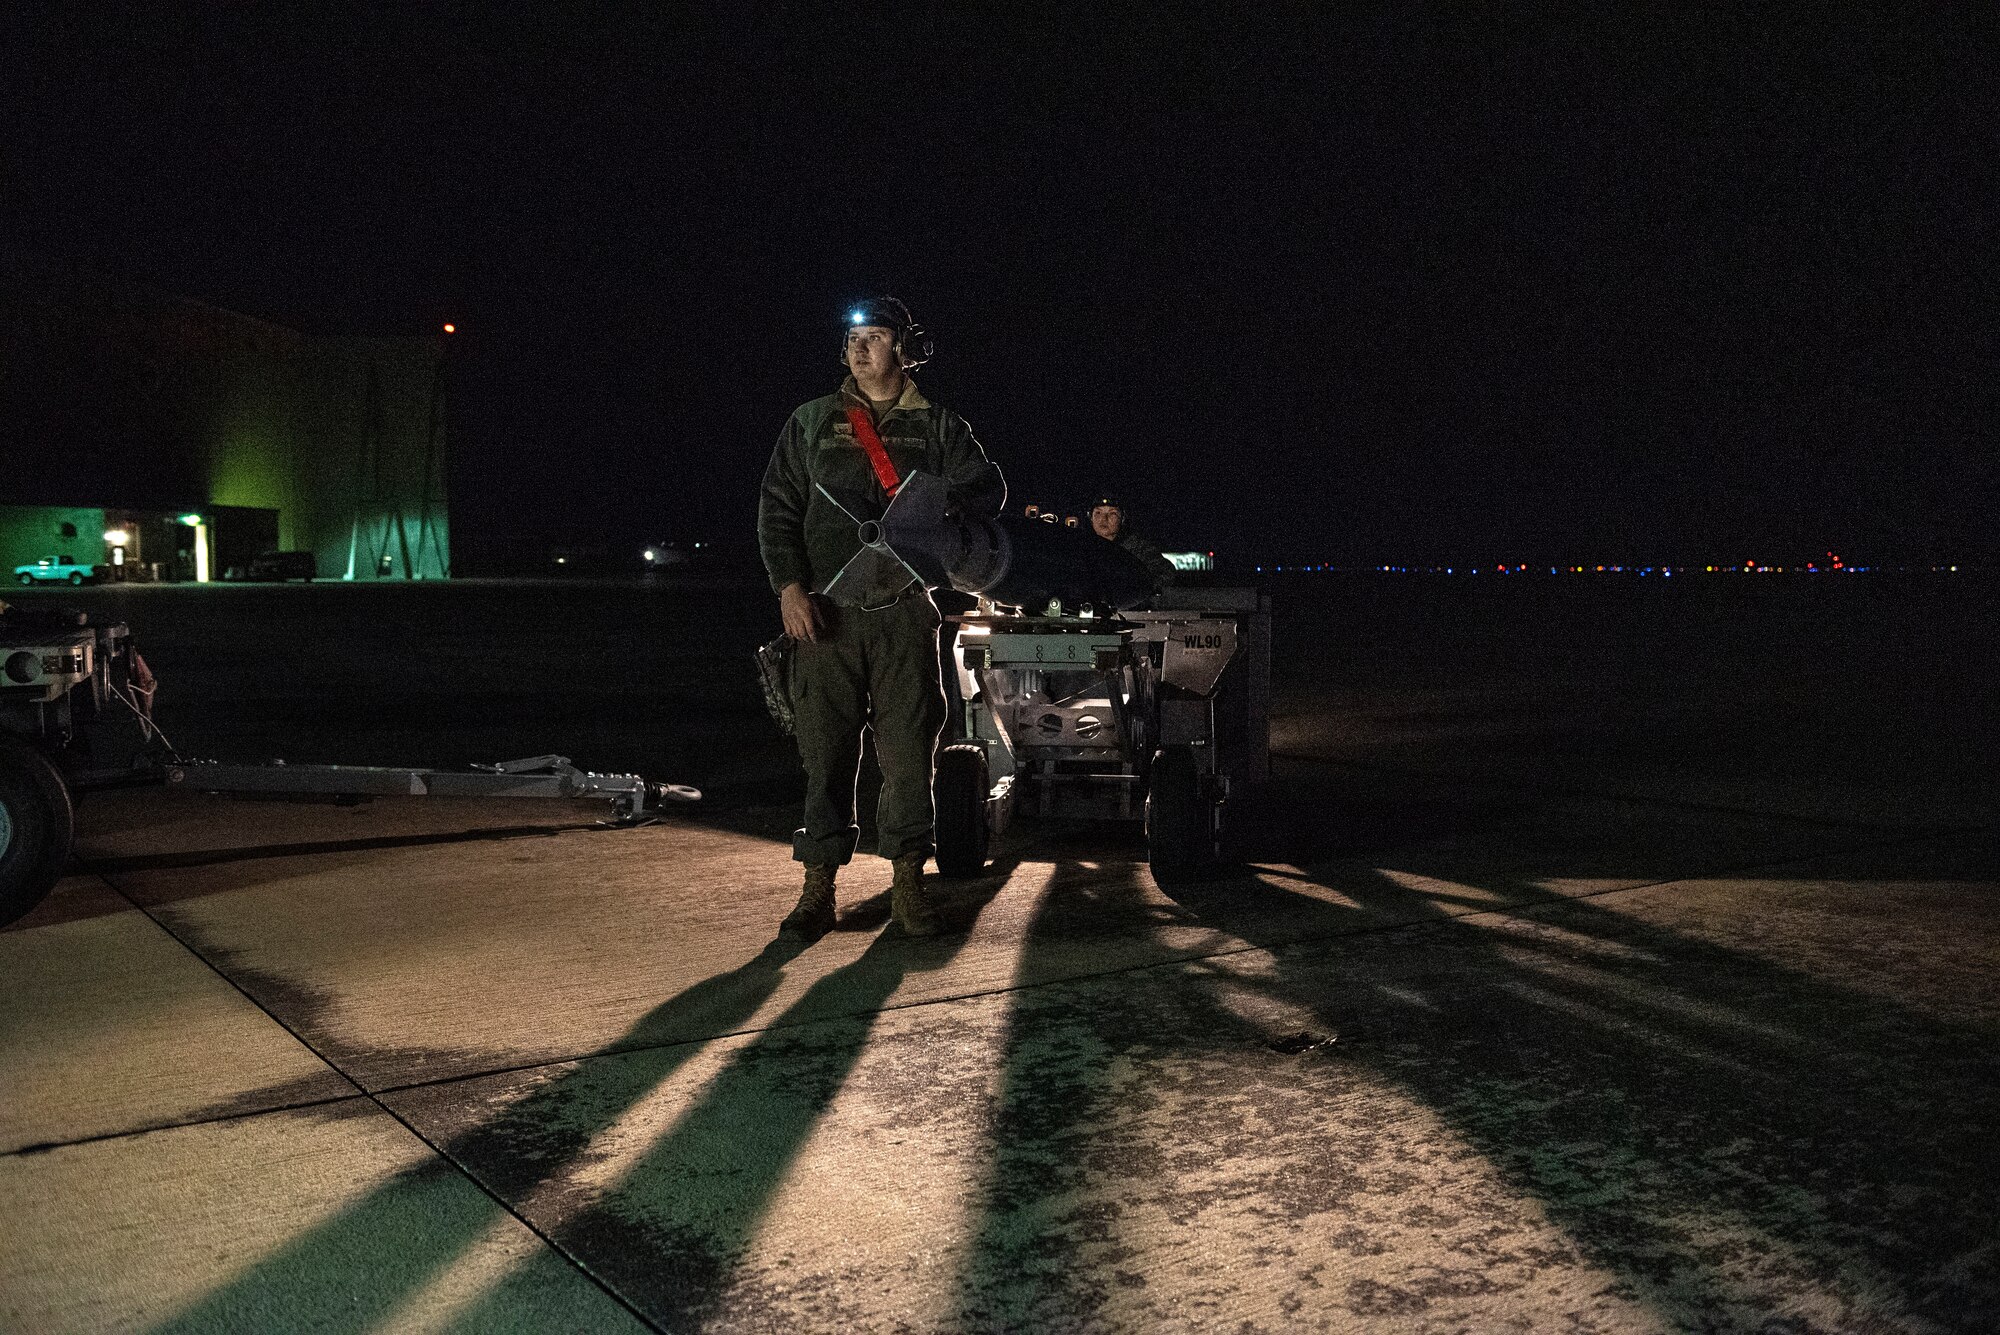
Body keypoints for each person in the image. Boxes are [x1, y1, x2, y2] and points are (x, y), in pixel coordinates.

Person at [757, 297, 1006, 939]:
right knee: (826, 752)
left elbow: (986, 490)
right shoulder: (812, 422)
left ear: (904, 347)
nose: (860, 348)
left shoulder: (940, 426)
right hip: (827, 614)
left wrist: (932, 505)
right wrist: (789, 588)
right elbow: (778, 509)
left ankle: (907, 887)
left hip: (904, 614)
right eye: (853, 338)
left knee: (906, 751)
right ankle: (818, 888)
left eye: (875, 336)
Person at [1089, 496, 1176, 591]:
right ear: (1091, 518)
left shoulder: (1136, 547)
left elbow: (1166, 571)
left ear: (1122, 519)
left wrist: (1137, 586)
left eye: (1112, 513)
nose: (1104, 518)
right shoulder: (1083, 547)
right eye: (1098, 513)